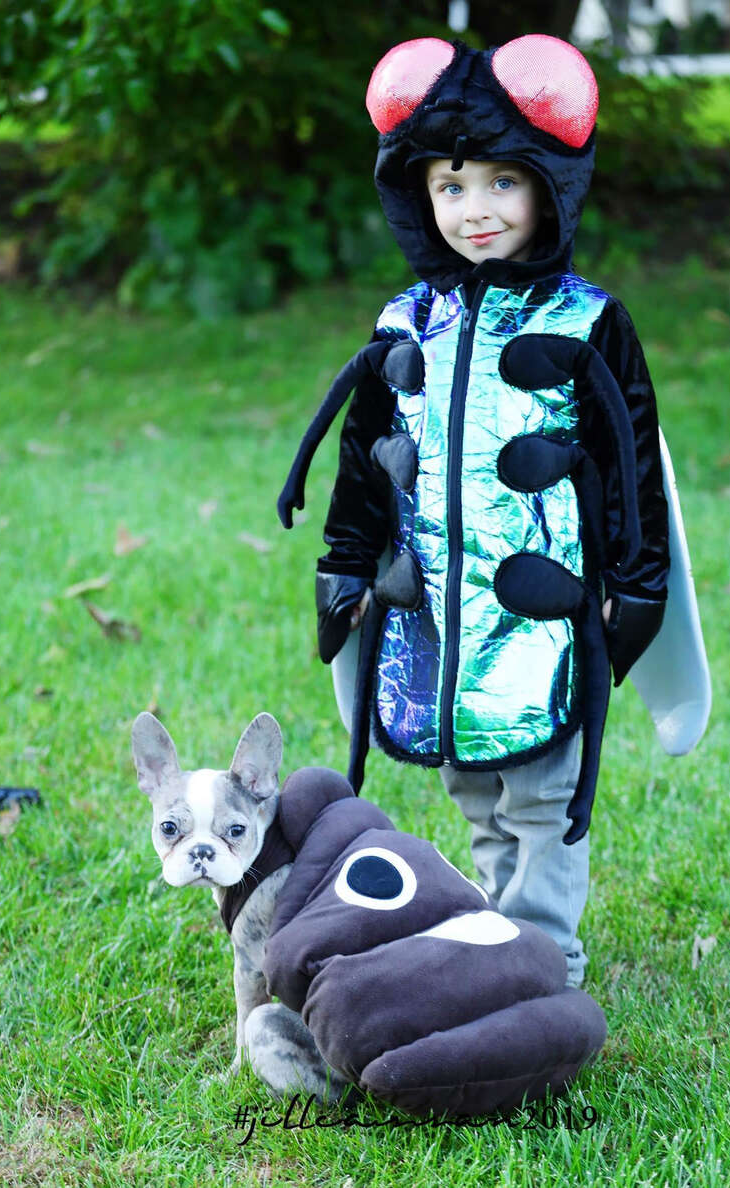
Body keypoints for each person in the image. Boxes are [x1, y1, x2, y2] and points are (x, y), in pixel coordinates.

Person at [277, 35, 669, 987]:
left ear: (549, 186)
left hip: (543, 613)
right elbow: (364, 468)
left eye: (501, 182)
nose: (475, 209)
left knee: (542, 794)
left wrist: (636, 581)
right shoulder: (407, 324)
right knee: (475, 785)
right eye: (451, 188)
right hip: (436, 617)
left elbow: (630, 467)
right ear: (419, 195)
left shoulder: (585, 322)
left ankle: (541, 965)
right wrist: (345, 565)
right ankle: (498, 925)